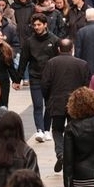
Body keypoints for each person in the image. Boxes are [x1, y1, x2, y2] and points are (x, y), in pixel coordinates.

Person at [42, 39, 91, 172]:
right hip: (76, 103)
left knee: (57, 130)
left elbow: (45, 84)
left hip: (57, 102)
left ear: (58, 49)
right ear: (72, 49)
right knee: (75, 130)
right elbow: (87, 84)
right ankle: (73, 156)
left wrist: (48, 99)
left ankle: (61, 153)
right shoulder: (82, 64)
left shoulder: (51, 63)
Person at [15, 14, 61, 143]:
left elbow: (59, 59)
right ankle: (39, 130)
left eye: (39, 25)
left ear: (45, 25)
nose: (36, 27)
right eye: (34, 25)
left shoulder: (54, 40)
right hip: (35, 77)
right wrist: (17, 80)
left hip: (51, 78)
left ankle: (47, 130)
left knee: (49, 105)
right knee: (38, 105)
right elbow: (23, 61)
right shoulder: (29, 42)